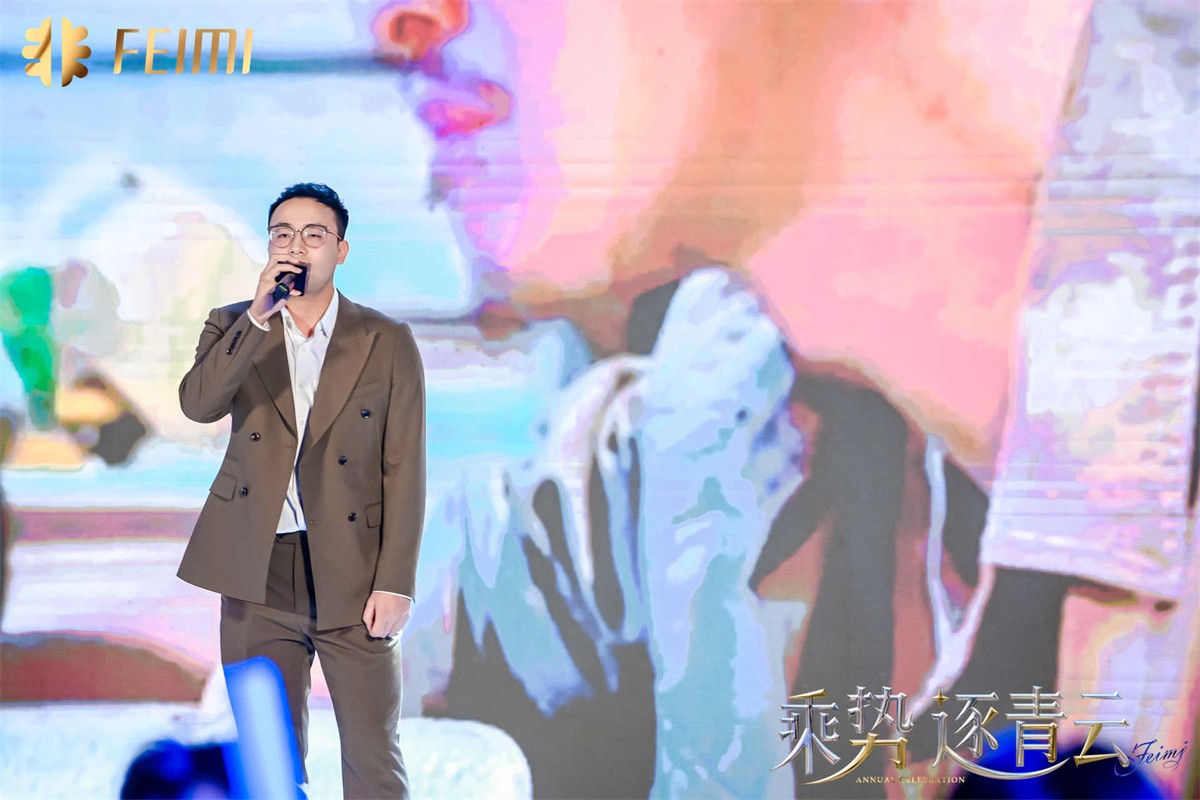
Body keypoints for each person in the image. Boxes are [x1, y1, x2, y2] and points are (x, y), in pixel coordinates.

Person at [177, 183, 426, 798]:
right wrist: (257, 317)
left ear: (341, 250)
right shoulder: (234, 324)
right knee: (269, 763)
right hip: (257, 569)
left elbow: (404, 465)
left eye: (314, 235)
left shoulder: (385, 339)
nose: (296, 246)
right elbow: (198, 405)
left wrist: (396, 581)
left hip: (353, 571)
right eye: (282, 234)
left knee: (372, 757)